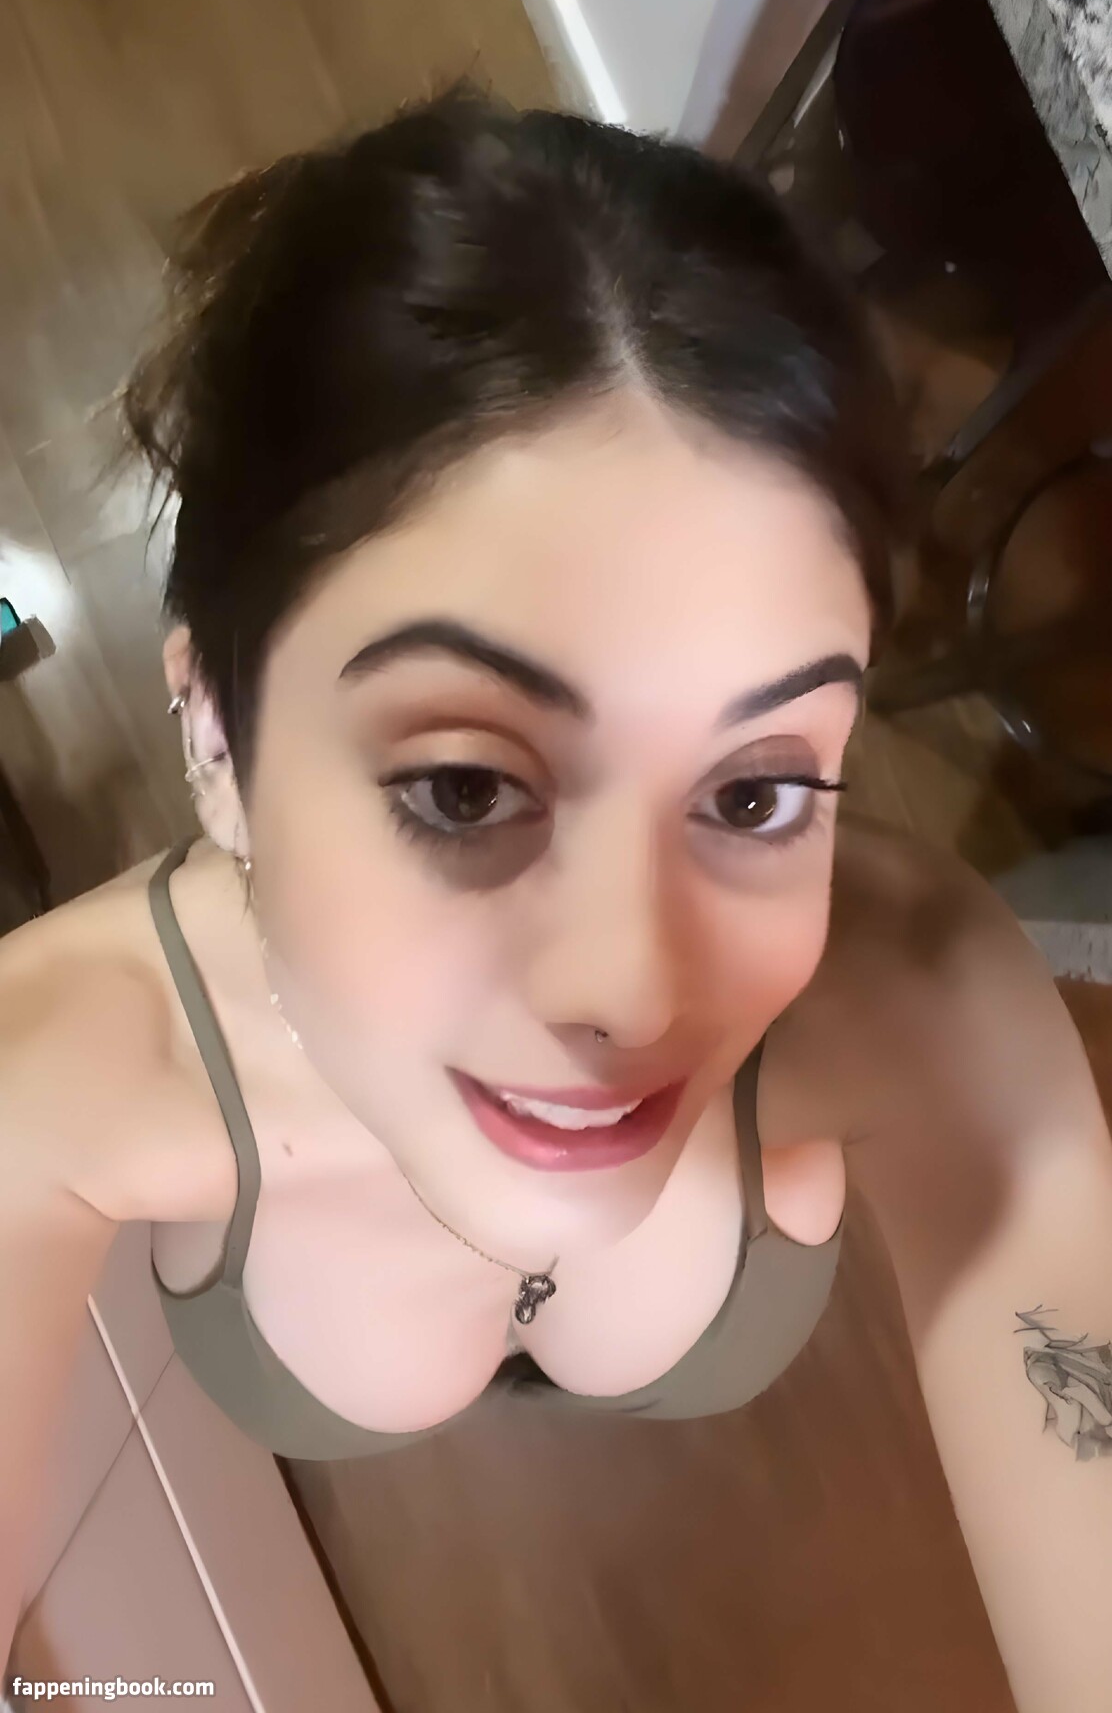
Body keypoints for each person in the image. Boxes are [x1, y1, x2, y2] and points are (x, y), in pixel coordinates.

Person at [2, 91, 1110, 1706]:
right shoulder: (52, 1067)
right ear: (217, 736)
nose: (636, 994)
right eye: (465, 787)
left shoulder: (927, 1004)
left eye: (754, 793)